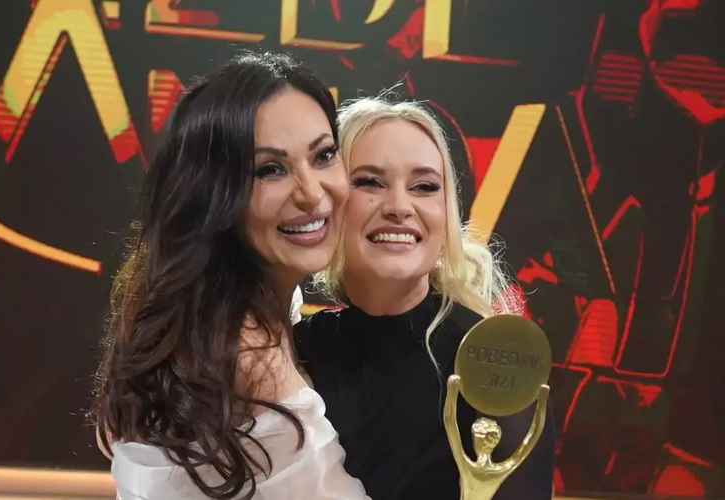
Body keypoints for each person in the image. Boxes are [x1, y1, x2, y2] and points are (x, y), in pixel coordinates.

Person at [92, 52, 369, 500]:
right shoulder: (251, 356)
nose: (312, 193)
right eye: (270, 169)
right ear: (215, 192)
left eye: (323, 155)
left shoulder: (206, 317)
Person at [295, 96, 556, 500]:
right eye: (370, 182)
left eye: (424, 187)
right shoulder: (295, 351)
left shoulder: (494, 362)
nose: (400, 207)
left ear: (446, 212)